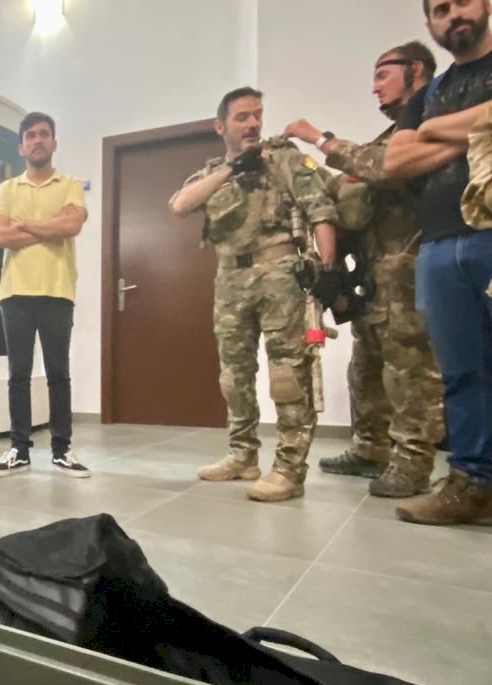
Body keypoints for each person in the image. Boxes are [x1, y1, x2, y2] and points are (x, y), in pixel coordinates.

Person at [283, 41, 444, 499]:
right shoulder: (390, 134)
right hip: (374, 276)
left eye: (382, 75)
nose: (374, 87)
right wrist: (306, 172)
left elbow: (383, 168)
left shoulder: (429, 125)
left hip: (409, 268)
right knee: (367, 368)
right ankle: (372, 448)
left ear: (416, 70)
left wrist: (319, 138)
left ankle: (413, 463)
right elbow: (351, 197)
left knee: (410, 371)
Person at [169, 87, 339, 502]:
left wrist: (327, 269)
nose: (253, 124)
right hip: (230, 279)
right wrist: (231, 169)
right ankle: (243, 456)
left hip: (279, 272)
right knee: (234, 376)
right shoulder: (213, 172)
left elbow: (320, 211)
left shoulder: (281, 158)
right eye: (242, 117)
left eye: (257, 115)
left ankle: (289, 470)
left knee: (288, 375)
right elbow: (179, 205)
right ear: (220, 126)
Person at [383, 0, 492, 525]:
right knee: (461, 372)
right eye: (440, 9)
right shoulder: (431, 93)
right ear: (430, 24)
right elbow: (395, 160)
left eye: (462, 2)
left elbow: (418, 144)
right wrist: (477, 128)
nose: (453, 15)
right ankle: (472, 484)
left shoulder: (431, 108)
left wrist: (432, 132)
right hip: (439, 243)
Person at [0, 112, 90, 480]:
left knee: (58, 373)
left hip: (58, 290)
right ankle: (19, 450)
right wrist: (51, 227)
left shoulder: (70, 184)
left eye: (44, 134)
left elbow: (72, 225)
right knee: (18, 374)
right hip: (15, 292)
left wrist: (26, 224)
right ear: (21, 146)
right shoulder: (7, 188)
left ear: (54, 142)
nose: (37, 140)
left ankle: (62, 451)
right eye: (30, 135)